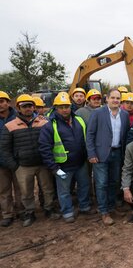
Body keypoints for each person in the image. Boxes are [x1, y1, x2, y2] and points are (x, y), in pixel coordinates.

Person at [0, 94, 60, 227]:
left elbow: (52, 142)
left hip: (42, 163)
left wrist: (49, 160)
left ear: (34, 107)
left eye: (30, 106)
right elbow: (4, 149)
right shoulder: (10, 126)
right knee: (26, 192)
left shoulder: (44, 122)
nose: (28, 108)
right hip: (23, 166)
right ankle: (29, 212)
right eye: (24, 106)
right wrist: (15, 166)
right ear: (18, 108)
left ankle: (49, 209)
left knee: (47, 189)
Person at [38, 92, 93, 223]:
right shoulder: (50, 125)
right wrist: (54, 167)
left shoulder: (79, 120)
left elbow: (87, 139)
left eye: (66, 106)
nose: (64, 109)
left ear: (70, 106)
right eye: (61, 107)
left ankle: (84, 206)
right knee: (64, 191)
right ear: (56, 108)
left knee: (84, 186)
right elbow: (44, 148)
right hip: (63, 166)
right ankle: (67, 211)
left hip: (80, 162)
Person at [86, 88, 130, 226]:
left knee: (114, 182)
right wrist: (91, 153)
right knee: (101, 183)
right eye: (113, 98)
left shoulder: (124, 115)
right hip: (100, 154)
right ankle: (104, 212)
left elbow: (126, 134)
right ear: (107, 99)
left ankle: (111, 207)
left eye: (118, 98)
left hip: (117, 153)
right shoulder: (98, 113)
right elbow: (90, 134)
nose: (115, 100)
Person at [0, 90, 22, 227]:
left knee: (21, 188)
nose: (0, 104)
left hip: (17, 160)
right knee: (4, 190)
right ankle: (7, 214)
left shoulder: (18, 118)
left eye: (2, 101)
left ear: (8, 103)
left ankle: (23, 211)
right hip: (1, 162)